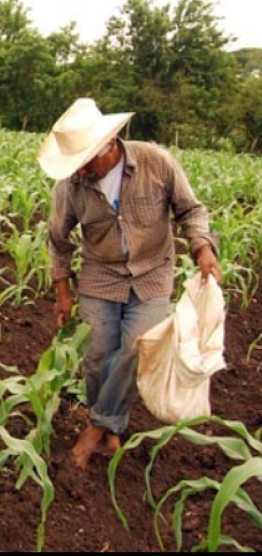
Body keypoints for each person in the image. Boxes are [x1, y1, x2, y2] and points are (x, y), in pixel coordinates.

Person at [38, 98, 222, 469]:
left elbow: (190, 209)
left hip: (153, 272)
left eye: (85, 162)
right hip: (100, 276)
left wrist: (202, 247)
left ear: (108, 145)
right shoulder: (70, 188)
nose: (80, 171)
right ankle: (111, 431)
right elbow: (58, 241)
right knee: (96, 358)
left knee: (137, 348)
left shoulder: (156, 162)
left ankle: (95, 430)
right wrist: (62, 294)